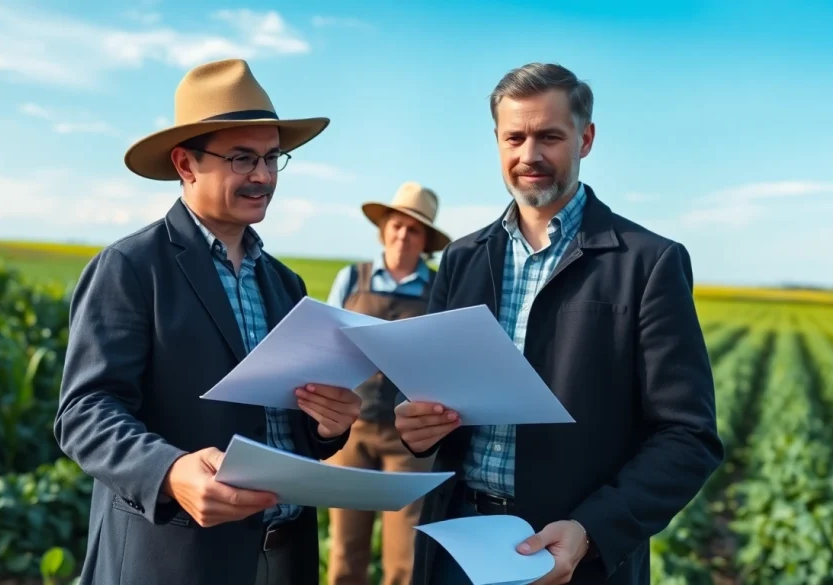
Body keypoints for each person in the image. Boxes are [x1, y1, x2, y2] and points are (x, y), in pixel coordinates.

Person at [393, 62, 723, 585]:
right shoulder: (462, 258)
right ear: (497, 141)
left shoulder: (647, 262)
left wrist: (592, 529)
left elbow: (688, 436)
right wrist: (414, 424)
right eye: (515, 137)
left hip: (572, 559)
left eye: (549, 136)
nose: (530, 155)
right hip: (455, 543)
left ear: (585, 139)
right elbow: (425, 396)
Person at [53, 58, 363, 585]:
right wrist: (170, 472)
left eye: (271, 158)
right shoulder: (131, 267)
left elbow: (290, 429)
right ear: (186, 164)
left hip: (285, 557)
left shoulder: (286, 285)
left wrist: (328, 423)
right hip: (173, 560)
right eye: (243, 158)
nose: (263, 176)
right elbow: (84, 412)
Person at [323, 182, 451, 585]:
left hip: (410, 440)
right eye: (396, 225)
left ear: (425, 241)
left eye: (413, 230)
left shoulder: (439, 289)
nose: (402, 235)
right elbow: (323, 344)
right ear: (383, 230)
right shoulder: (351, 279)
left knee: (405, 560)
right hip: (350, 433)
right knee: (345, 551)